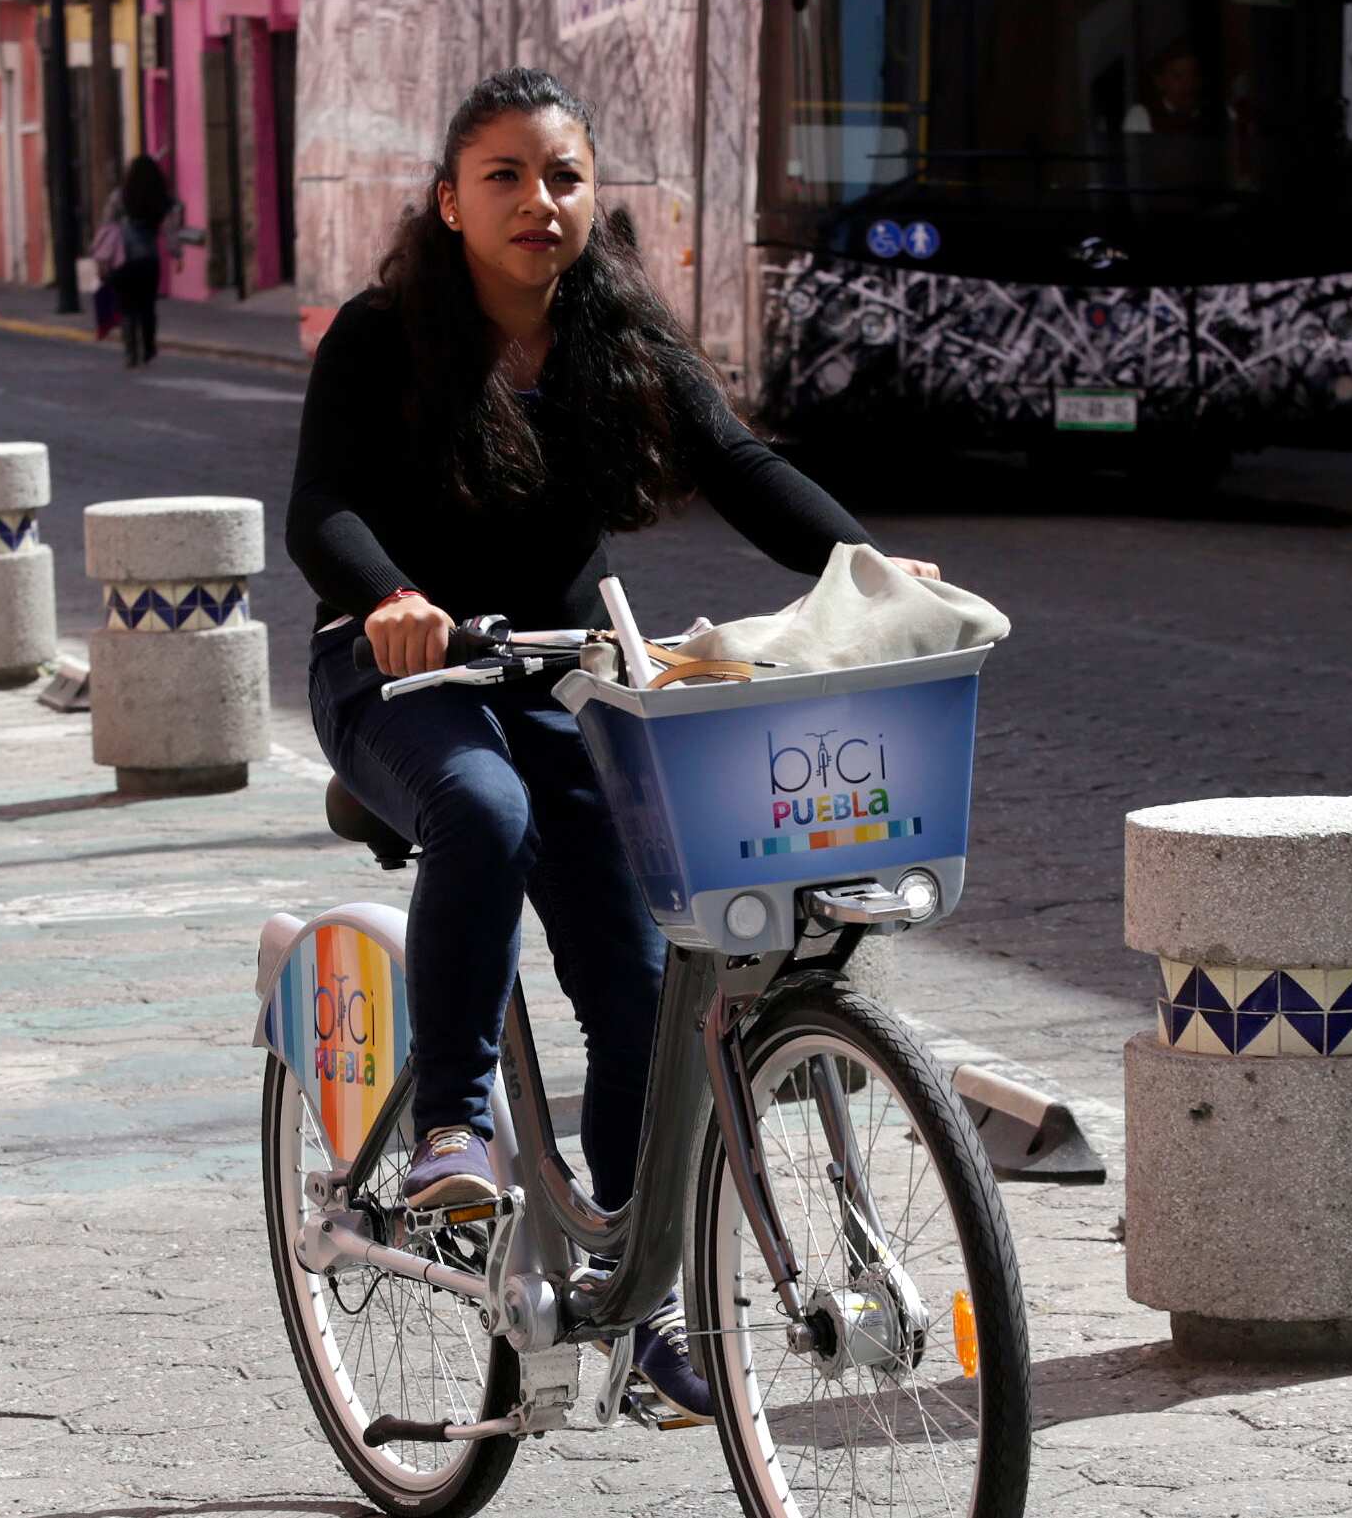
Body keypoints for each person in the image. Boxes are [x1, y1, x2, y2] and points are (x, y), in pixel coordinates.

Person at [285, 68, 937, 1422]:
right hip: (393, 674)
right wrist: (391, 599)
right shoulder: (380, 335)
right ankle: (452, 1126)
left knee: (645, 982)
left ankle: (645, 1313)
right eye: (505, 177)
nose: (538, 203)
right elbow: (320, 509)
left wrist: (870, 569)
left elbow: (742, 467)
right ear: (448, 201)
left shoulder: (611, 331)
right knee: (483, 813)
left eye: (563, 176)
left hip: (561, 678)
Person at [96, 154, 182, 367]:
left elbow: (106, 225)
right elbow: (171, 231)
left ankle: (130, 351)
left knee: (126, 307)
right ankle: (149, 347)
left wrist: (102, 259)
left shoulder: (120, 196)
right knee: (147, 306)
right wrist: (177, 254)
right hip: (148, 260)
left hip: (122, 260)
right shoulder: (161, 198)